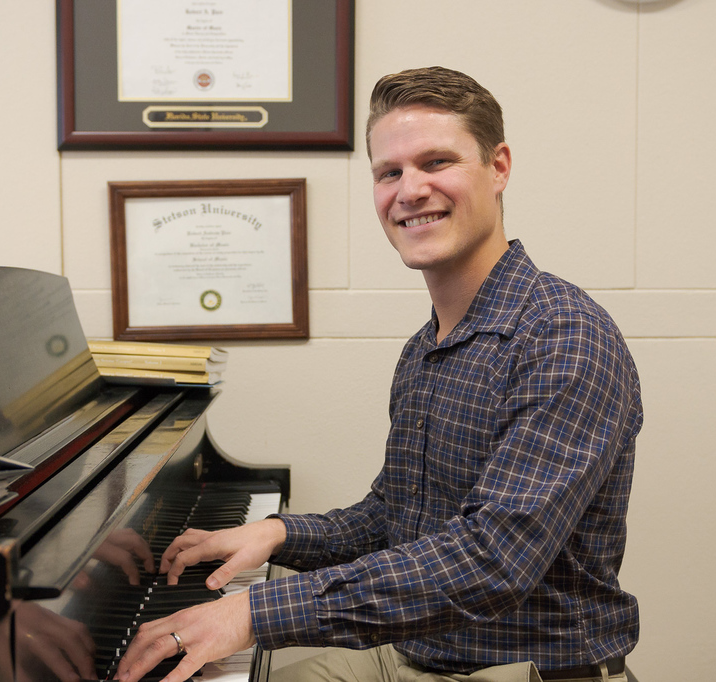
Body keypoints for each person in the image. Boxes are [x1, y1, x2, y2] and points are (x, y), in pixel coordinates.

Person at [116, 66, 643, 682]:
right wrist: (278, 535)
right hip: (417, 652)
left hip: (522, 669)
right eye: (389, 172)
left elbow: (492, 561)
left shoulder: (565, 334)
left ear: (499, 167)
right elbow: (395, 515)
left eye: (436, 162)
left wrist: (257, 611)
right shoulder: (427, 346)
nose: (410, 190)